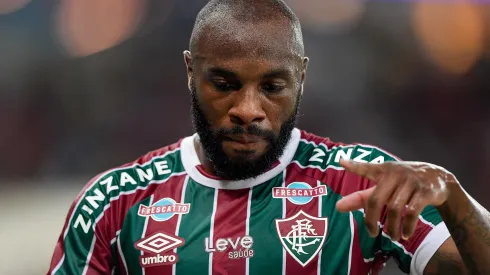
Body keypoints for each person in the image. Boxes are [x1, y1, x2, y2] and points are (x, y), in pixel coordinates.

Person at [47, 0, 490, 274]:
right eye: (224, 84)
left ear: (301, 77)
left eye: (273, 87)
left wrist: (453, 196)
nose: (248, 109)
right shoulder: (113, 202)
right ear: (190, 72)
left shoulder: (361, 182)